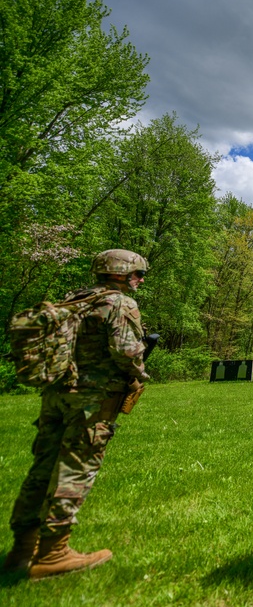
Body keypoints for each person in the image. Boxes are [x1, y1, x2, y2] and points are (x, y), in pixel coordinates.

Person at [3, 249, 151, 580]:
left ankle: (23, 549)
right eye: (137, 274)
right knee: (75, 469)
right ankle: (53, 553)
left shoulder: (75, 300)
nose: (140, 280)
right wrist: (139, 376)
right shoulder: (118, 303)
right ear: (120, 273)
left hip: (57, 395)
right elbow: (126, 352)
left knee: (43, 468)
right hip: (92, 401)